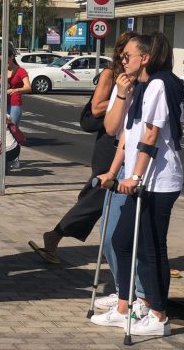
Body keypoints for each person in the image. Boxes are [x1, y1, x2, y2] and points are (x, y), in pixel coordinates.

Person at [94, 32, 184, 336]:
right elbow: (123, 135)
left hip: (158, 182)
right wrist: (113, 171)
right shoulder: (139, 88)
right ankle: (129, 305)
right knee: (121, 241)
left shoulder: (159, 84)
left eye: (127, 56)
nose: (122, 60)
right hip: (139, 179)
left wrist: (135, 176)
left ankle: (158, 315)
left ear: (144, 58)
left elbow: (150, 136)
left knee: (151, 249)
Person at [30, 32, 136, 265]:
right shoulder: (111, 73)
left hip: (125, 143)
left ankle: (57, 235)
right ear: (120, 52)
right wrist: (125, 97)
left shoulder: (135, 76)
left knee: (99, 197)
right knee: (97, 198)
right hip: (109, 144)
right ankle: (55, 234)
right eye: (127, 53)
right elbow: (97, 108)